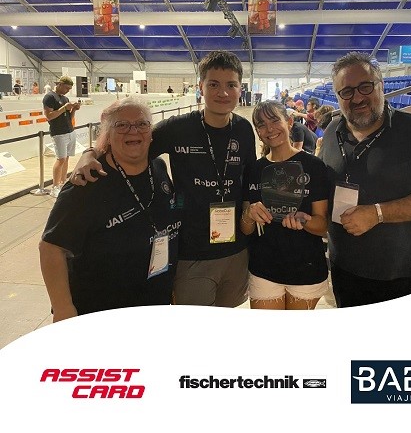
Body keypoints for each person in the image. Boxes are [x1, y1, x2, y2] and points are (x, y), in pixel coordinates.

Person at [70, 50, 256, 307]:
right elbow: (132, 143)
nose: (222, 92)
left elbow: (250, 178)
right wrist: (90, 153)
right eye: (213, 84)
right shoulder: (178, 128)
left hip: (236, 251)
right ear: (201, 87)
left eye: (231, 85)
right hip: (192, 254)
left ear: (240, 88)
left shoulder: (244, 129)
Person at [319, 51, 411, 308]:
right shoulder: (331, 133)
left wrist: (378, 213)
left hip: (405, 275)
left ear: (380, 86)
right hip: (345, 270)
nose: (357, 98)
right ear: (337, 97)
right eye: (346, 92)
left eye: (365, 86)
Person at [39, 97, 180, 322]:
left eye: (141, 124)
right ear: (108, 135)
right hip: (100, 312)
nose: (133, 131)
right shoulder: (87, 182)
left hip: (154, 304)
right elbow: (51, 248)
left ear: (151, 132)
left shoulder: (158, 167)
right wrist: (63, 307)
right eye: (121, 125)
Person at [241, 101, 329, 310]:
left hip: (306, 268)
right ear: (258, 132)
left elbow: (322, 226)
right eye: (261, 125)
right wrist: (249, 214)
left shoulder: (314, 166)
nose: (269, 129)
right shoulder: (254, 169)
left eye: (274, 121)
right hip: (263, 269)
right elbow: (246, 229)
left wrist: (305, 222)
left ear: (289, 122)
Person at [42, 76, 81, 198]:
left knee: (66, 158)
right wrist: (64, 108)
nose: (68, 90)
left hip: (69, 131)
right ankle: (55, 186)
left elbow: (69, 117)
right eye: (66, 88)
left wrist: (74, 109)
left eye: (69, 89)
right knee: (61, 159)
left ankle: (63, 183)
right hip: (58, 133)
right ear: (60, 84)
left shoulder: (65, 98)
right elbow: (49, 116)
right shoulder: (49, 97)